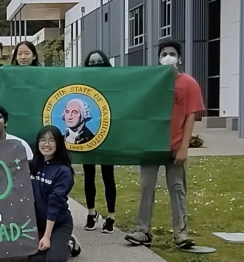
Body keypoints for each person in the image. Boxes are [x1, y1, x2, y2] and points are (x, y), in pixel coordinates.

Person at [125, 40, 205, 249]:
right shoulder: (150, 82)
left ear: (179, 58)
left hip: (175, 144)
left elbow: (190, 116)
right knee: (146, 187)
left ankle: (181, 233)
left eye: (172, 53)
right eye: (164, 54)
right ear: (158, 58)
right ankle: (143, 230)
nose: (168, 57)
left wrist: (184, 146)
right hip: (151, 146)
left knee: (177, 188)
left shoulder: (188, 83)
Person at [29, 125, 82, 262]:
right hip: (38, 223)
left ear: (58, 143)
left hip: (59, 223)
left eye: (51, 140)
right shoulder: (32, 165)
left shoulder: (63, 171)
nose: (46, 144)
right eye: (42, 140)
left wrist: (46, 236)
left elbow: (54, 203)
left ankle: (70, 243)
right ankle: (53, 242)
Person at [81, 50, 116, 233]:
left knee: (108, 175)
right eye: (92, 63)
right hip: (88, 134)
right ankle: (91, 213)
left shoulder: (112, 82)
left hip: (106, 133)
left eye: (99, 63)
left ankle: (111, 216)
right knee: (89, 175)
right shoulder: (82, 82)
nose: (96, 66)